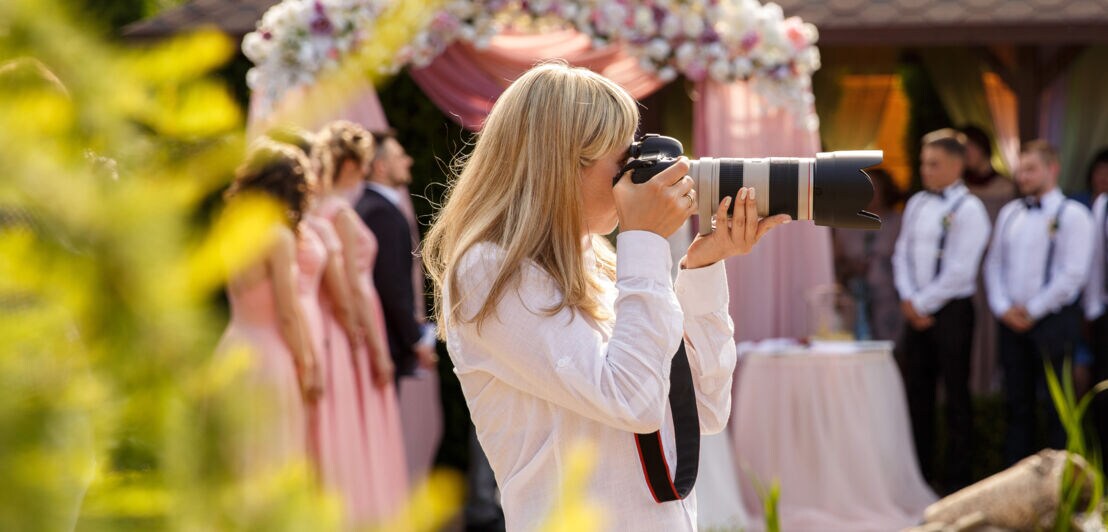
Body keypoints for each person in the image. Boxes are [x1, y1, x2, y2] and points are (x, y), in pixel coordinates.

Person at [421, 62, 790, 530]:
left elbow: (703, 411)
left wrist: (701, 268)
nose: (631, 180)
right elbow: (632, 401)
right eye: (622, 163)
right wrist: (644, 241)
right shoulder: (488, 271)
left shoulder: (601, 263)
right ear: (563, 162)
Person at [312, 120, 410, 520]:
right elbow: (354, 287)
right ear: (356, 163)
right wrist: (375, 348)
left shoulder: (323, 209)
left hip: (341, 325)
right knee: (365, 422)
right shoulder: (343, 215)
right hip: (358, 326)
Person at [892, 129, 991, 492]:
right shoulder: (918, 202)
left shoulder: (970, 209)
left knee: (955, 397)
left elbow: (961, 270)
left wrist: (922, 304)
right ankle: (920, 478)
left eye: (933, 164)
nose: (925, 171)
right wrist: (908, 297)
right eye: (923, 163)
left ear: (955, 164)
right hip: (915, 310)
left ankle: (957, 483)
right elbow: (901, 252)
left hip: (951, 312)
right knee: (916, 395)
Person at [216, 141, 322, 473]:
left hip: (232, 348)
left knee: (234, 459)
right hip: (269, 359)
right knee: (271, 460)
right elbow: (288, 313)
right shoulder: (278, 236)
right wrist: (307, 363)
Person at [985, 140, 1093, 466]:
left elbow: (1073, 274)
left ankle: (1062, 488)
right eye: (1020, 169)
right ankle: (1014, 486)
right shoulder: (1010, 213)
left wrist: (1032, 311)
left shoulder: (1074, 215)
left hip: (1054, 322)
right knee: (1017, 405)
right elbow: (993, 264)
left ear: (1052, 169)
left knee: (1056, 406)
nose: (1023, 175)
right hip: (1010, 322)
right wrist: (1003, 307)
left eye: (1031, 168)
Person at [355, 130, 436, 383]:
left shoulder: (374, 205)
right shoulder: (381, 212)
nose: (408, 160)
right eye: (399, 156)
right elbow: (390, 284)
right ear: (380, 166)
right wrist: (415, 338)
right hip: (386, 340)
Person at [832, 168, 903, 341]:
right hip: (855, 301)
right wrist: (850, 268)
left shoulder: (899, 222)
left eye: (875, 187)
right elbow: (835, 262)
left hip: (889, 300)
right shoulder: (845, 223)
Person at [1081, 147, 1108, 465]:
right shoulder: (1101, 205)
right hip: (1104, 316)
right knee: (1102, 396)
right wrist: (1093, 312)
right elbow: (1096, 264)